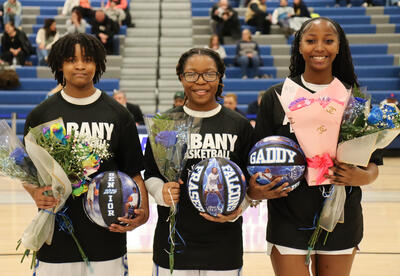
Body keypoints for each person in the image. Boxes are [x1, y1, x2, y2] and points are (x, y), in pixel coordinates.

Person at [248, 17, 381, 276]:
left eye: (328, 41)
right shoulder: (276, 96)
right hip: (287, 214)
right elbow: (256, 159)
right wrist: (256, 189)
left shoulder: (354, 97)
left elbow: (374, 164)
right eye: (311, 41)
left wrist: (362, 176)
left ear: (339, 47)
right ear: (299, 46)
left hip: (340, 216)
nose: (319, 48)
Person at [23, 33, 149, 276]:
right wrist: (35, 192)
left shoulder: (119, 115)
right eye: (72, 59)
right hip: (55, 238)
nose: (80, 65)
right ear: (60, 64)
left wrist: (143, 212)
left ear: (98, 63)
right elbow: (28, 173)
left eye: (88, 59)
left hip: (107, 237)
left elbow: (133, 173)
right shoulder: (42, 115)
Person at [144, 48, 254, 275]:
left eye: (209, 74)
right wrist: (159, 192)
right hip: (172, 244)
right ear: (181, 77)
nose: (200, 81)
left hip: (224, 246)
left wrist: (238, 209)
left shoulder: (239, 125)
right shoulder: (165, 123)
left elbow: (250, 182)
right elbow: (151, 174)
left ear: (220, 77)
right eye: (192, 74)